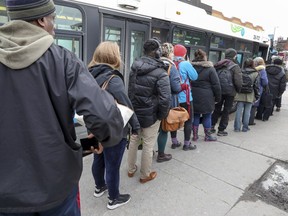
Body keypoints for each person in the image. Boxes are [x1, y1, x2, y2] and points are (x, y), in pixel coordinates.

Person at [0, 0, 124, 215]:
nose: (54, 26)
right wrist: (104, 138)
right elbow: (103, 117)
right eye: (53, 19)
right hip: (56, 188)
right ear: (41, 20)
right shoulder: (63, 59)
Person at [88, 41, 140, 210]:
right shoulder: (113, 79)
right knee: (112, 165)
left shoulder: (87, 74)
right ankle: (113, 198)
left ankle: (99, 187)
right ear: (113, 56)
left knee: (97, 157)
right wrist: (136, 127)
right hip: (113, 130)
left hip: (93, 128)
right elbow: (126, 106)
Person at [127, 38, 171, 183]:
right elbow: (165, 99)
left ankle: (131, 169)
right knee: (148, 143)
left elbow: (130, 91)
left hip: (135, 111)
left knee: (134, 139)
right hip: (151, 114)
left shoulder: (135, 67)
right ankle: (145, 175)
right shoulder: (161, 72)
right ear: (156, 51)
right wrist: (161, 115)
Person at [156, 42, 181, 162]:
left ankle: (150, 151)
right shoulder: (172, 67)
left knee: (152, 128)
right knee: (164, 129)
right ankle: (161, 154)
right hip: (167, 101)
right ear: (170, 53)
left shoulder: (155, 63)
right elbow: (176, 88)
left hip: (154, 100)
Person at [190, 49, 221, 141]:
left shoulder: (191, 67)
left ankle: (195, 136)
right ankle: (207, 136)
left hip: (193, 95)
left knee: (195, 115)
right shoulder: (210, 69)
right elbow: (216, 84)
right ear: (205, 57)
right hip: (207, 96)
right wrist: (218, 97)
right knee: (207, 115)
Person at [172, 44, 198, 151]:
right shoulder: (185, 64)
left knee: (172, 120)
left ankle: (174, 142)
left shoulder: (170, 63)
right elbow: (195, 76)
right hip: (185, 99)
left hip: (173, 98)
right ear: (184, 53)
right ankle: (186, 144)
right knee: (188, 120)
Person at [211, 48, 242, 136]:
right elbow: (238, 81)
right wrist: (238, 90)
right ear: (234, 56)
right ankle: (221, 130)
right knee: (226, 111)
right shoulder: (235, 66)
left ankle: (211, 127)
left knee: (216, 109)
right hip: (230, 92)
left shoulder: (218, 64)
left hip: (219, 90)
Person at [233, 58, 259, 132]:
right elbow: (256, 86)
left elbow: (237, 82)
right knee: (247, 112)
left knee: (238, 111)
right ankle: (245, 127)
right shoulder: (256, 73)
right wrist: (257, 96)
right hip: (250, 94)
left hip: (240, 93)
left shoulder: (240, 71)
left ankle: (237, 128)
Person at [249, 57, 268, 125]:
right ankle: (250, 121)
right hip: (258, 89)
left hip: (249, 88)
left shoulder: (251, 69)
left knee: (248, 104)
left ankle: (244, 119)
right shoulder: (262, 70)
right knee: (254, 105)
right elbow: (265, 82)